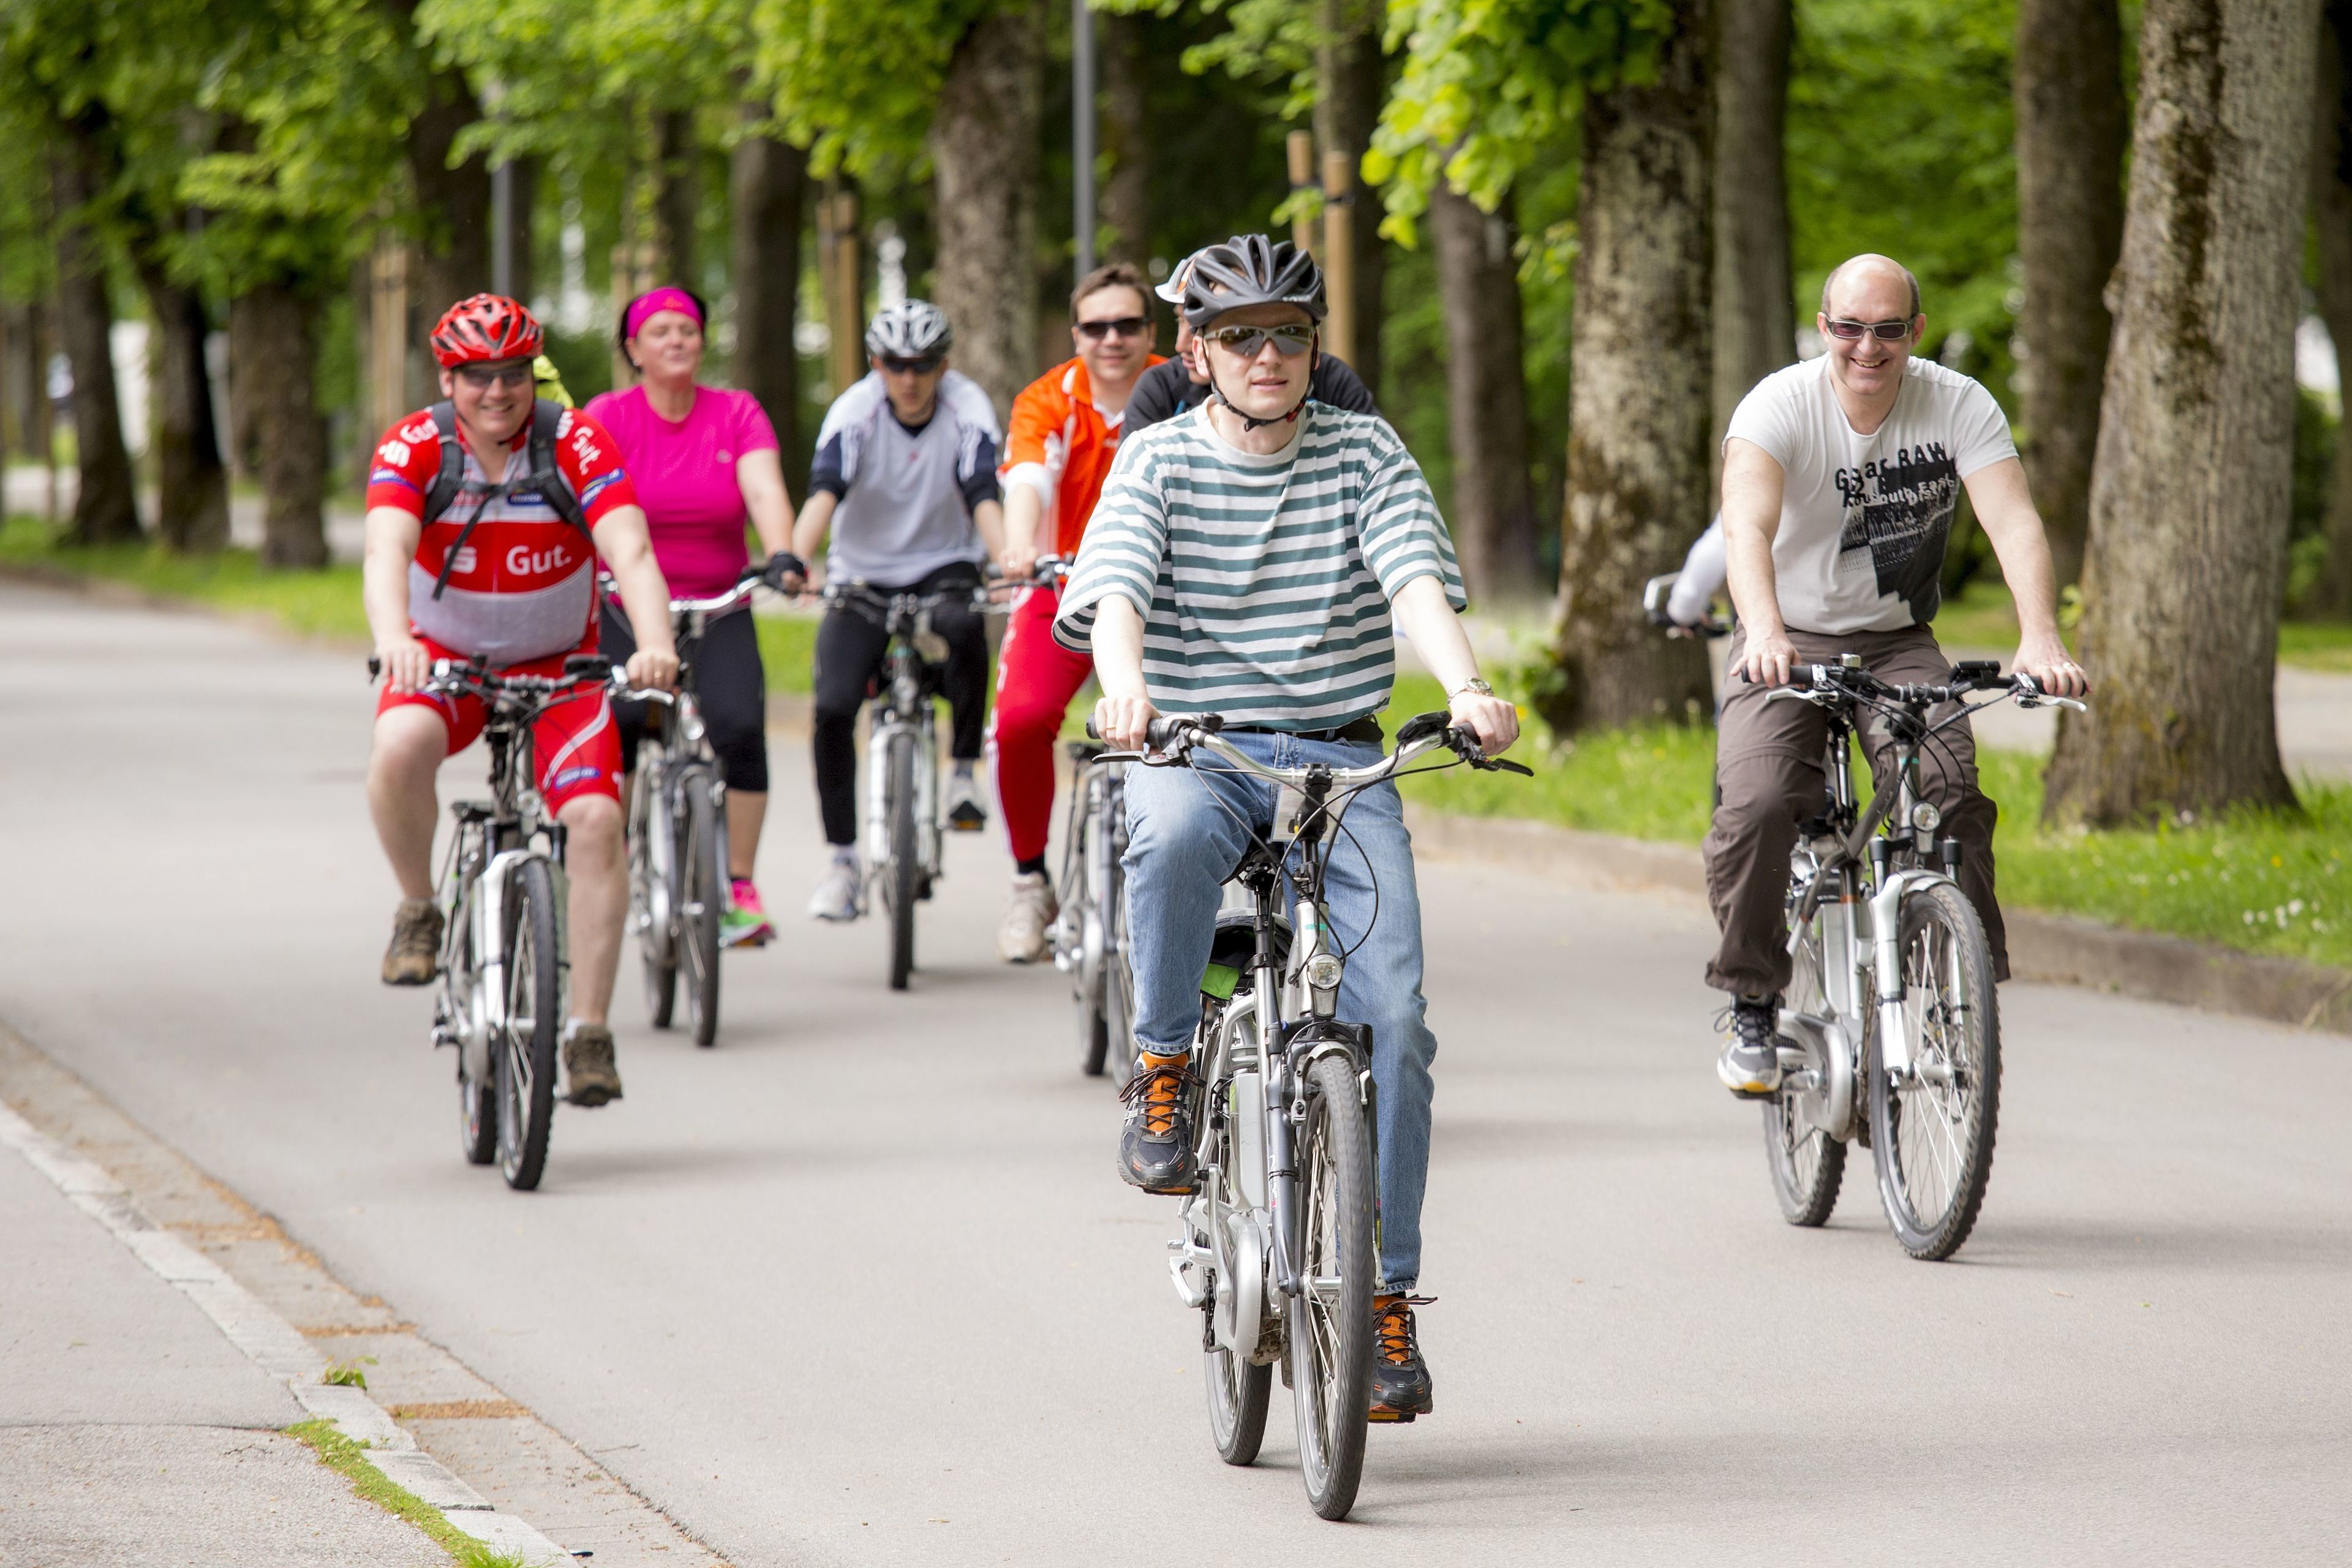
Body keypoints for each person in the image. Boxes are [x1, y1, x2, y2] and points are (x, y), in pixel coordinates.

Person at [1057, 236, 1519, 1421]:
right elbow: (1119, 594)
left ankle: (1385, 1299)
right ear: (1197, 353)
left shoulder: (1363, 450)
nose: (1268, 355)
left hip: (1340, 755)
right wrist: (1126, 690)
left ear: (1317, 347)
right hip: (1196, 742)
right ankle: (1164, 1064)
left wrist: (1468, 688)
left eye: (1290, 335)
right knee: (1165, 840)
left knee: (1396, 1019)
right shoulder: (1157, 458)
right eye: (1241, 336)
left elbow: (1411, 579)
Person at [1708, 253, 2088, 1096]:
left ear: (1915, 332)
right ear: (1824, 328)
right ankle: (1753, 1000)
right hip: (1787, 635)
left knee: (1948, 788)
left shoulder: (1958, 403)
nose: (1868, 347)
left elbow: (2013, 521)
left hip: (1895, 638)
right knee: (1761, 800)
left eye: (1887, 329)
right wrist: (1764, 632)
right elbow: (1746, 526)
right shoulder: (1779, 405)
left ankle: (1956, 985)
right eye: (1850, 327)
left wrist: (2041, 638)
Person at [364, 294, 679, 1107]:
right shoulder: (414, 446)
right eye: (477, 377)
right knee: (399, 746)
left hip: (560, 668)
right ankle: (419, 906)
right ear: (448, 380)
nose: (497, 392)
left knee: (598, 821)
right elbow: (385, 550)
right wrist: (394, 637)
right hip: (445, 660)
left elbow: (631, 550)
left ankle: (588, 1033)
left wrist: (655, 643)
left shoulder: (575, 441)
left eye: (512, 375)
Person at [586, 286, 802, 948]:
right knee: (622, 724)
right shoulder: (608, 416)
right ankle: (613, 865)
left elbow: (763, 488)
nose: (676, 340)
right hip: (625, 604)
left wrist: (783, 552)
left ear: (703, 342)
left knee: (739, 726)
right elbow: (586, 499)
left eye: (686, 330)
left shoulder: (735, 412)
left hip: (718, 603)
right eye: (660, 332)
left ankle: (738, 885)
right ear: (633, 349)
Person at [786, 300, 1010, 922]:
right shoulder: (855, 411)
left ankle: (962, 771)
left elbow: (982, 489)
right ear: (876, 364)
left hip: (945, 560)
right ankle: (842, 863)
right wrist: (795, 559)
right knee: (834, 706)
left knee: (965, 626)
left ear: (944, 366)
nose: (909, 379)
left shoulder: (967, 407)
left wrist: (1007, 561)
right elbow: (825, 490)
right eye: (895, 365)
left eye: (923, 365)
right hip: (863, 571)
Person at [987, 261, 1167, 962]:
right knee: (1020, 721)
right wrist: (1016, 545)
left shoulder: (1179, 389)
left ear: (1150, 331)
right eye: (1096, 327)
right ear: (1075, 334)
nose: (1111, 339)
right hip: (1062, 583)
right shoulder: (1048, 399)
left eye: (1127, 324)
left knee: (1198, 728)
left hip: (1164, 596)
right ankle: (1031, 882)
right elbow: (1030, 478)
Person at [1123, 243, 1380, 434]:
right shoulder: (1159, 391)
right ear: (1203, 352)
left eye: (1289, 333)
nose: (1181, 345)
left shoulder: (1330, 379)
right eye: (1181, 321)